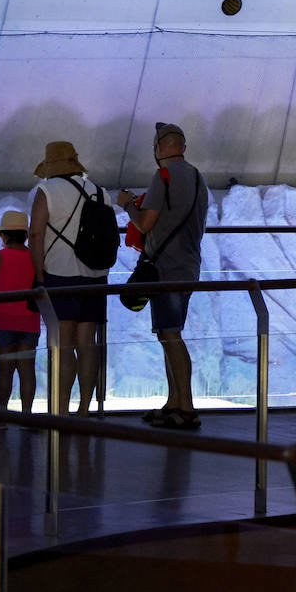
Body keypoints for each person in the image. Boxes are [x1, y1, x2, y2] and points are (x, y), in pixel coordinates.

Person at [116, 123, 209, 431]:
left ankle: (186, 407)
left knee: (171, 335)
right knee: (168, 333)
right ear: (183, 147)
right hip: (188, 264)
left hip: (165, 267)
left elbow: (145, 223)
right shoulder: (198, 177)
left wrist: (128, 204)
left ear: (159, 148)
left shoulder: (163, 177)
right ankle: (174, 402)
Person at [28, 141, 114, 416]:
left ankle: (61, 410)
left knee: (63, 345)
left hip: (60, 275)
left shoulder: (46, 191)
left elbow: (35, 234)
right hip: (95, 276)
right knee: (86, 343)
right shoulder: (101, 192)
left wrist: (39, 273)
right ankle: (85, 409)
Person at [0, 210, 40, 414]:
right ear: (25, 236)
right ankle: (27, 416)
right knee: (27, 370)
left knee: (5, 371)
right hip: (29, 320)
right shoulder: (35, 258)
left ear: (3, 235)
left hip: (1, 320)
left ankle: (1, 416)